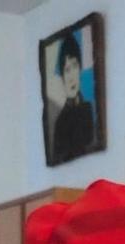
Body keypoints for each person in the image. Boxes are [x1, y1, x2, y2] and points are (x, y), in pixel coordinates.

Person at [48, 31, 96, 163]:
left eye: (74, 66)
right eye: (66, 69)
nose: (71, 77)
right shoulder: (61, 123)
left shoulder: (89, 109)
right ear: (62, 76)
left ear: (80, 69)